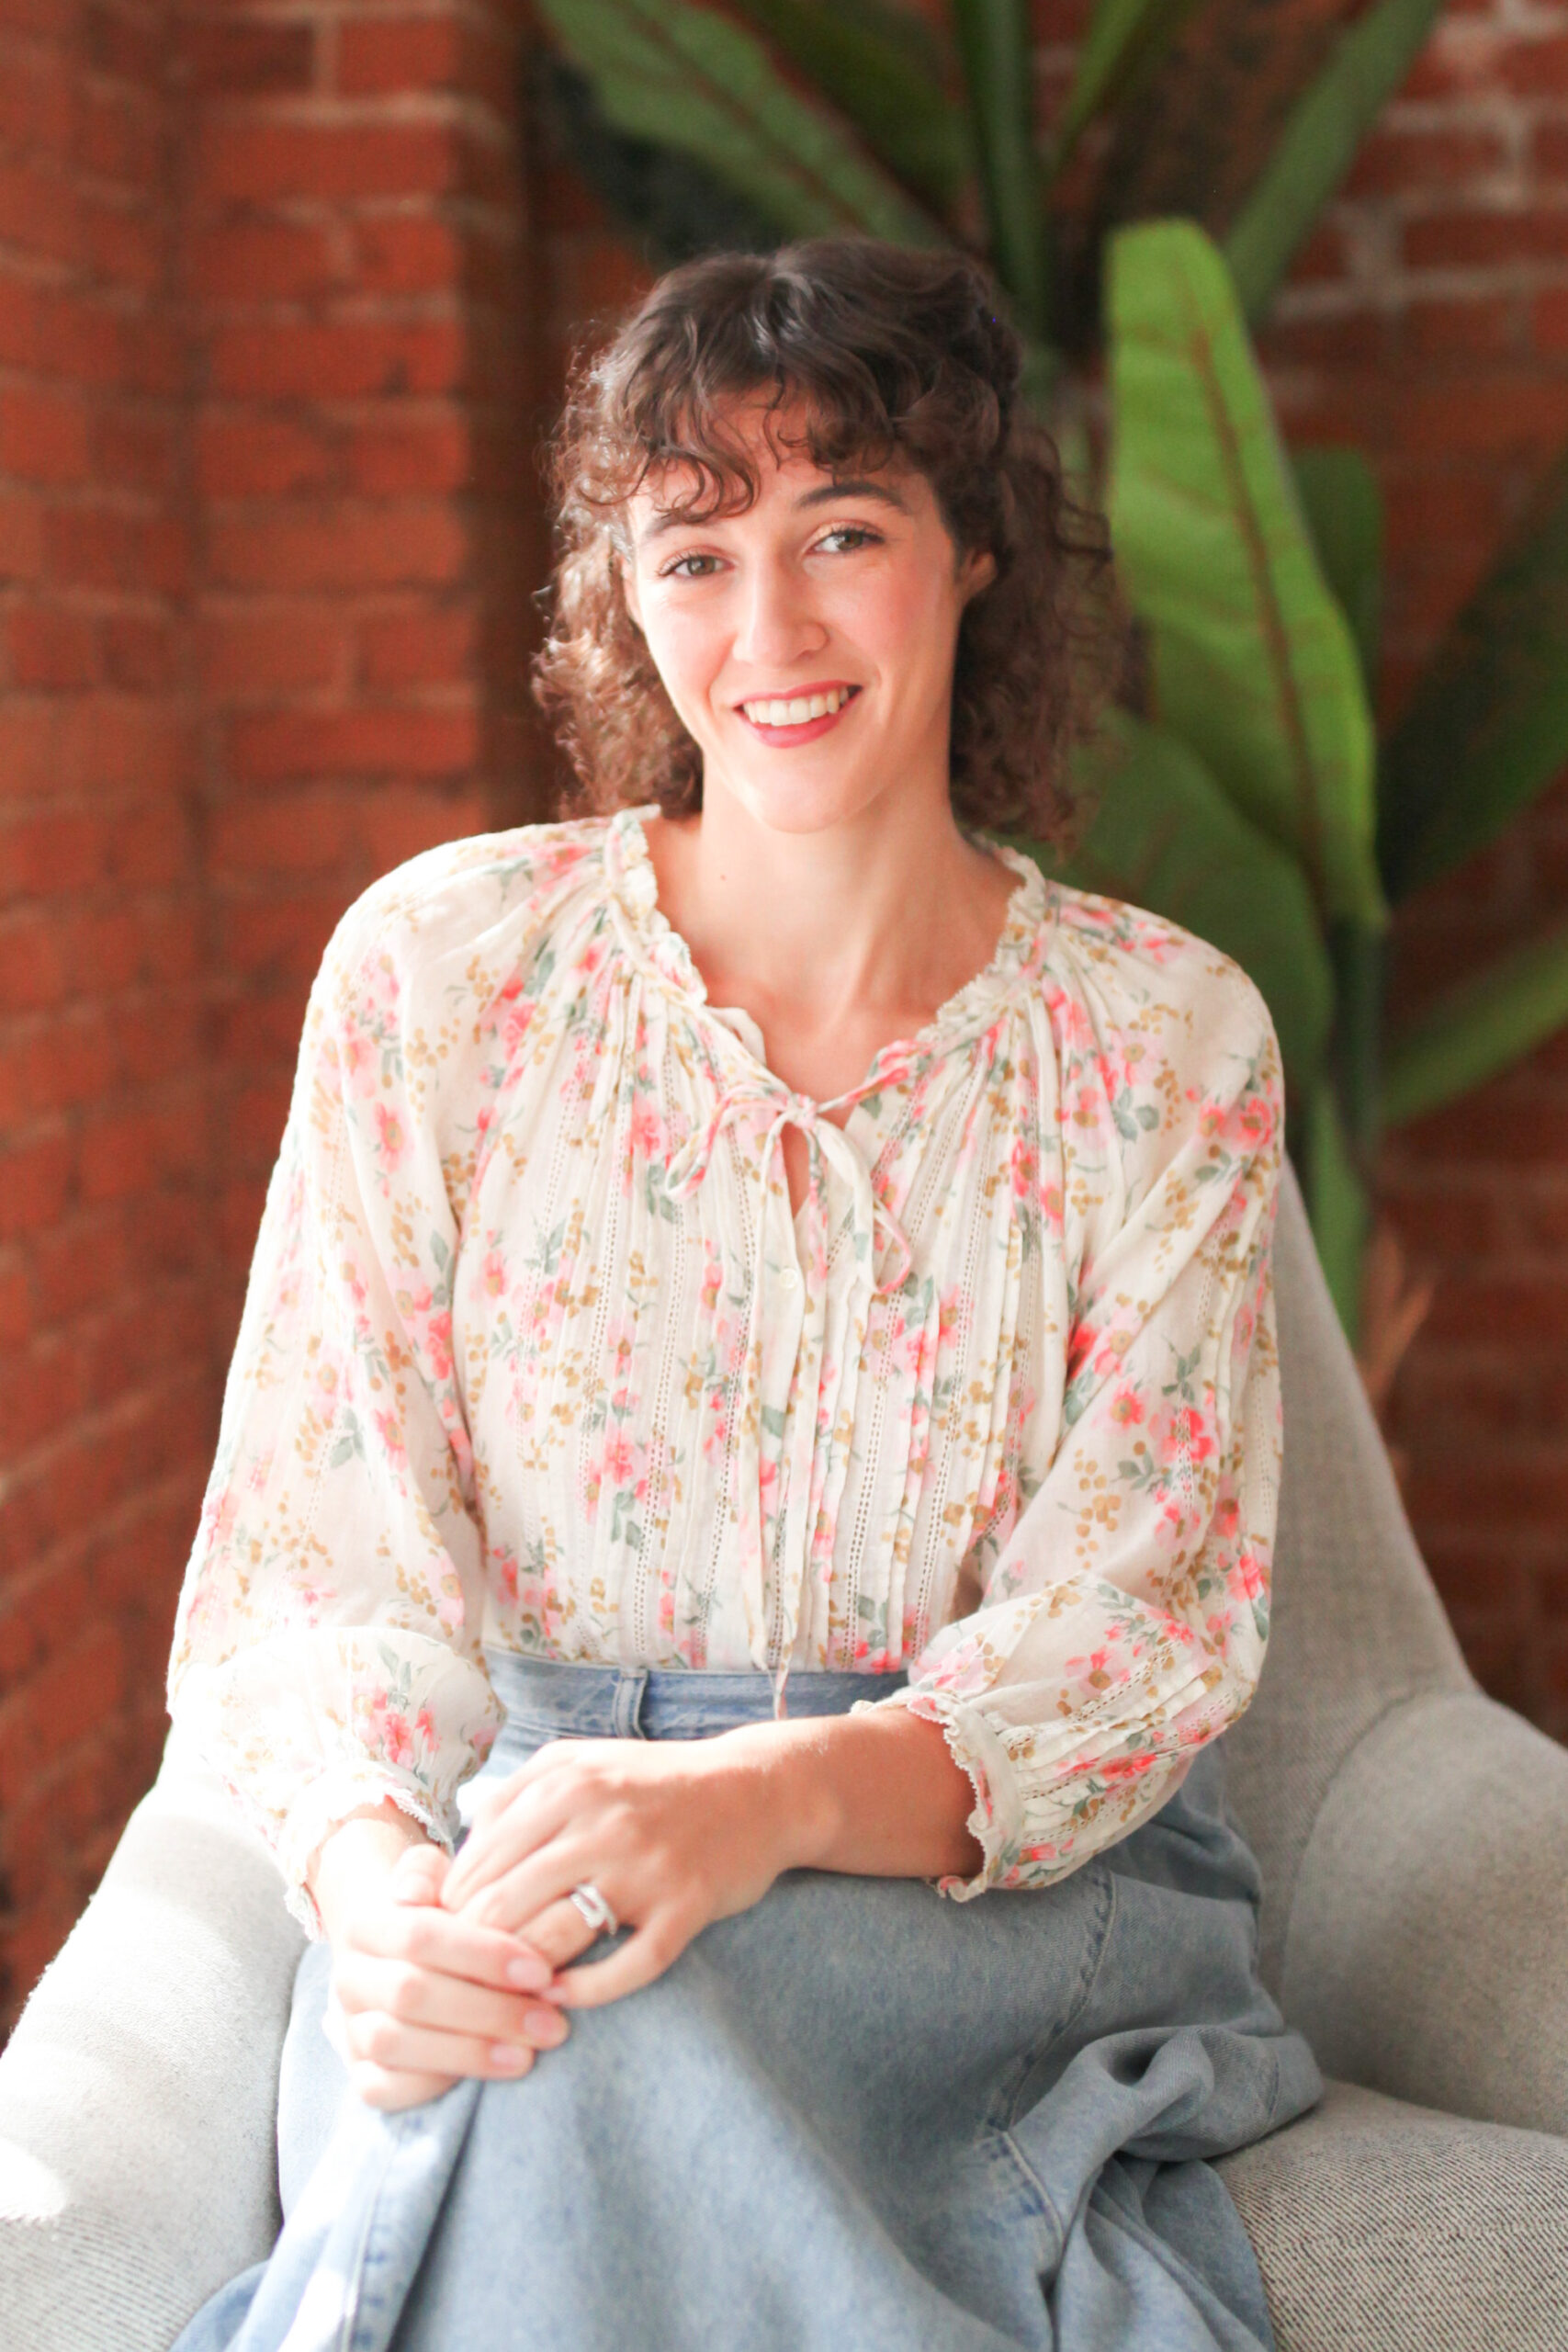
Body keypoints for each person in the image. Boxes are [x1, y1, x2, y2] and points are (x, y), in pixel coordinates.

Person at [166, 235, 1320, 2352]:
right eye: (693, 554)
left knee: (593, 2008)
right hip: (521, 1838)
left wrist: (753, 1803)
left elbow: (1135, 1625)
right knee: (543, 1986)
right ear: (624, 593)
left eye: (842, 532)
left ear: (975, 548)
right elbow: (315, 1561)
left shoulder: (1165, 1038)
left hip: (982, 1883)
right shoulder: (442, 974)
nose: (767, 629)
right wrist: (377, 1898)